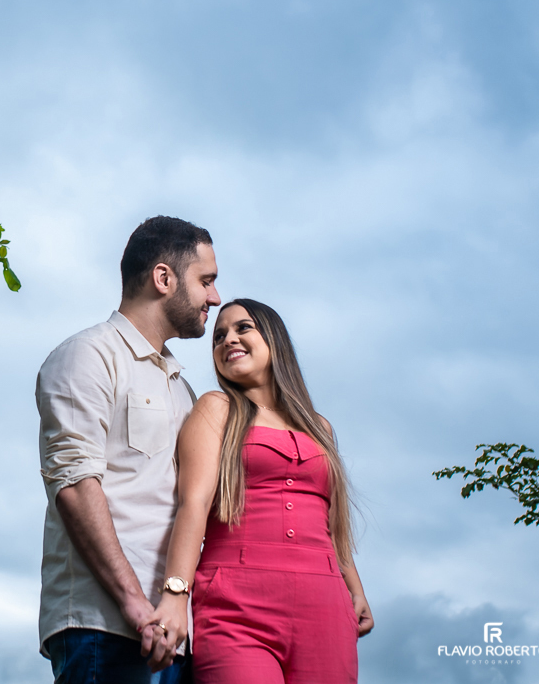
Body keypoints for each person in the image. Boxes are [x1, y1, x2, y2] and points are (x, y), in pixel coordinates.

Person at [148, 299, 374, 684]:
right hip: (234, 606)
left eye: (242, 328)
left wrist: (356, 590)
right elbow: (194, 503)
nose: (227, 340)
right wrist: (175, 594)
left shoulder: (321, 427)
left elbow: (332, 524)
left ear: (274, 339)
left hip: (325, 603)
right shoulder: (216, 408)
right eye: (219, 336)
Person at [37, 216, 221, 683]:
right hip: (107, 629)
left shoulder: (184, 389)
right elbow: (75, 486)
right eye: (206, 281)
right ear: (164, 278)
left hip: (174, 633)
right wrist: (135, 606)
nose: (214, 299)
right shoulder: (87, 355)